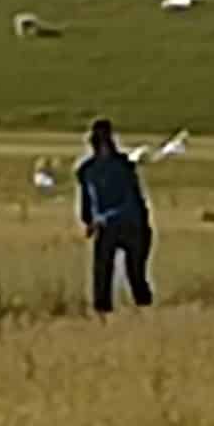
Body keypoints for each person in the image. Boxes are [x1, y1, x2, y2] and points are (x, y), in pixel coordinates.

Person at [77, 117, 153, 313]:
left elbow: (132, 201)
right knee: (102, 275)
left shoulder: (124, 166)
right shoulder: (86, 171)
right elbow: (87, 201)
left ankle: (145, 311)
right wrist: (88, 221)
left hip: (131, 225)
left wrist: (101, 219)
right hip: (105, 227)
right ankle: (102, 316)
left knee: (135, 274)